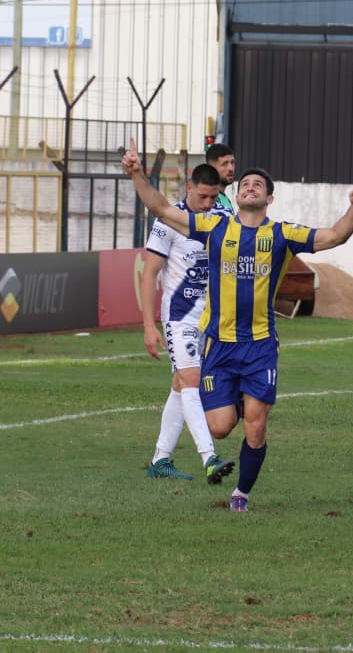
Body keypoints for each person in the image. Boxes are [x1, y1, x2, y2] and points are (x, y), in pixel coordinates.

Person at [123, 138, 353, 512]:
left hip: (258, 346)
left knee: (255, 427)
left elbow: (334, 236)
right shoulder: (212, 227)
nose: (250, 186)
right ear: (236, 196)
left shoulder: (282, 234)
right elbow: (159, 207)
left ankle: (241, 493)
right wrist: (137, 173)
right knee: (220, 426)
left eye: (258, 184)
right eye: (245, 184)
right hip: (219, 345)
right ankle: (239, 400)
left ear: (269, 199)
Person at [141, 163, 236, 483]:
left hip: (210, 320)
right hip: (179, 317)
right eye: (204, 197)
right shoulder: (169, 220)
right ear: (189, 189)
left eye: (214, 197)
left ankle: (160, 459)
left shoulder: (221, 220)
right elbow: (149, 273)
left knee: (181, 387)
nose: (209, 203)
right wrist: (148, 325)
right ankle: (209, 458)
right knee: (192, 381)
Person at [205, 143, 236, 211]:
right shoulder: (207, 200)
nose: (231, 168)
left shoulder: (224, 199)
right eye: (225, 164)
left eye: (232, 163)